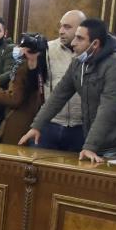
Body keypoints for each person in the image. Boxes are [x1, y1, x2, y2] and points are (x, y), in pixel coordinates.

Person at [20, 18, 116, 162]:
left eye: (79, 39)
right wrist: (37, 126)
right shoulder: (79, 62)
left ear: (95, 43)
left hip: (111, 146)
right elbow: (58, 95)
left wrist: (90, 146)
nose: (73, 43)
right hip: (89, 142)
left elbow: (108, 110)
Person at [0, 33, 48, 144]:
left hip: (18, 124)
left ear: (28, 51)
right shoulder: (40, 65)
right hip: (32, 122)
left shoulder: (23, 67)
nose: (17, 48)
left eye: (21, 46)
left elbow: (15, 99)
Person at [37, 10, 86, 151]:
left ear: (81, 29)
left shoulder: (90, 54)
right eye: (61, 26)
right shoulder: (47, 50)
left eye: (67, 27)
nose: (61, 31)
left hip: (80, 127)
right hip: (50, 124)